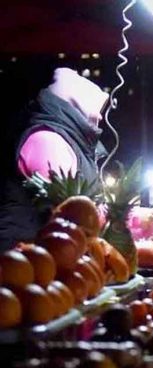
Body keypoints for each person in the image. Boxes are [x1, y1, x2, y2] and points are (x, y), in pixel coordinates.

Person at [0, 68, 109, 250]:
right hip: (26, 260)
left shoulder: (72, 141)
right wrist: (117, 217)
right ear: (76, 104)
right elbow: (70, 211)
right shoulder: (48, 141)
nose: (100, 115)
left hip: (51, 256)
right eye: (97, 108)